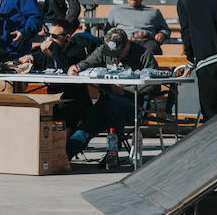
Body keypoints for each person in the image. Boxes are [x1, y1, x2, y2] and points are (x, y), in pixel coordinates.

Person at [65, 27, 158, 158]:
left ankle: (112, 154)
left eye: (118, 53)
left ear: (128, 43)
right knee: (90, 121)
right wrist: (77, 68)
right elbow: (88, 62)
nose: (114, 56)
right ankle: (64, 156)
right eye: (111, 53)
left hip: (134, 104)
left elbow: (154, 86)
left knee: (109, 108)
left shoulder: (143, 55)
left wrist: (125, 91)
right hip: (106, 103)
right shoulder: (103, 50)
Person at [20, 18, 93, 130]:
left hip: (74, 101)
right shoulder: (48, 50)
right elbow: (35, 59)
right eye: (48, 35)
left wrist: (54, 47)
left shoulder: (77, 51)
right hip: (53, 101)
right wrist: (29, 59)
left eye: (54, 36)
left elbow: (67, 68)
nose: (49, 39)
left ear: (67, 37)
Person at [106, 0, 170, 55]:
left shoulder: (154, 12)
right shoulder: (116, 10)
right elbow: (108, 32)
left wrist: (162, 34)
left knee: (152, 49)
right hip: (124, 43)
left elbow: (166, 30)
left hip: (147, 42)